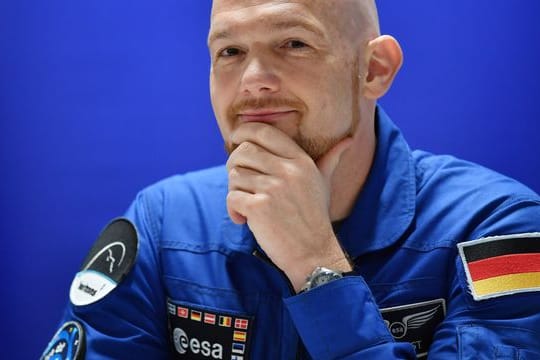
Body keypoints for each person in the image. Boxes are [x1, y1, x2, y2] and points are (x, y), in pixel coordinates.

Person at [42, 0, 540, 359]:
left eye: (294, 43)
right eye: (230, 52)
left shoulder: (498, 229)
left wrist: (316, 265)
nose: (254, 79)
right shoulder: (161, 224)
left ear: (374, 69)